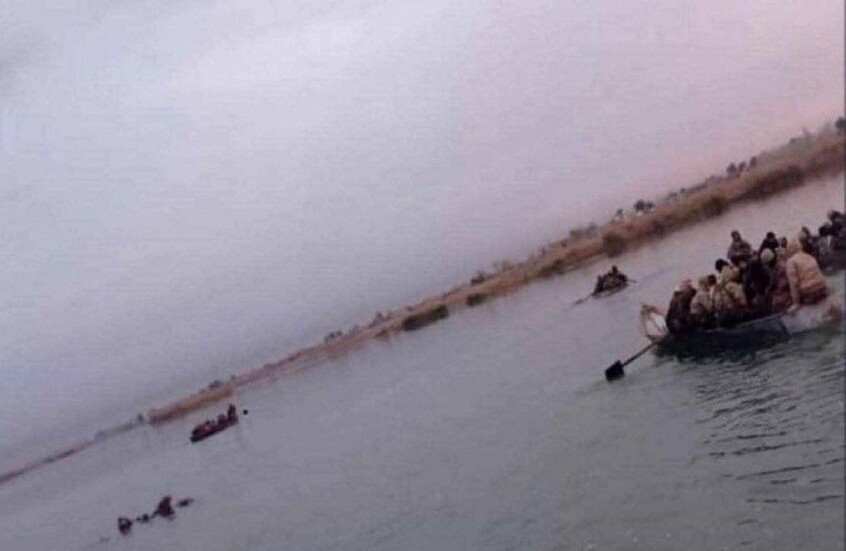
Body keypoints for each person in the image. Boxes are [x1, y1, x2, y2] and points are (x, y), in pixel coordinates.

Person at [785, 239, 828, 307]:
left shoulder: (791, 261)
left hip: (810, 292)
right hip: (822, 287)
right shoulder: (809, 256)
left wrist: (795, 302)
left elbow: (793, 283)